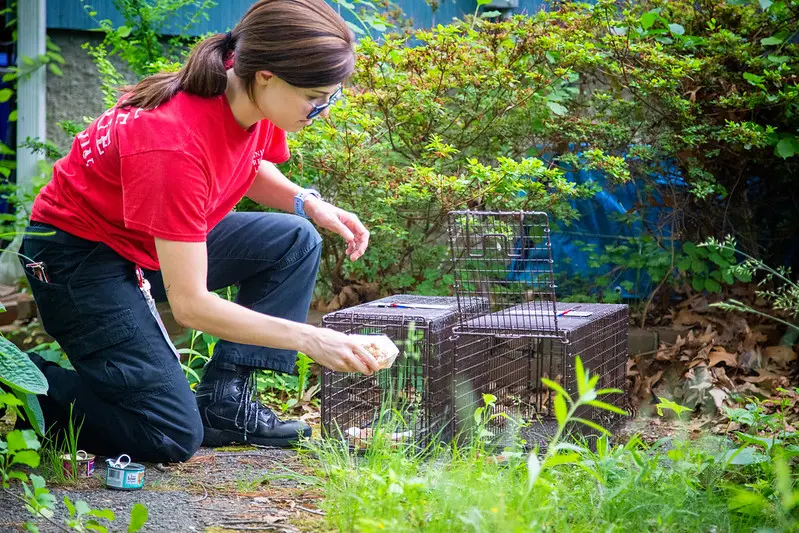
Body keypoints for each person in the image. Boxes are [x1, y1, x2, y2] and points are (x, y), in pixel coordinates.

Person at [19, 0, 381, 463]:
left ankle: (226, 405)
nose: (322, 110)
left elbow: (245, 163)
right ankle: (24, 381)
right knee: (168, 434)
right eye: (315, 97)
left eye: (330, 96)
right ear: (267, 76)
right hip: (76, 257)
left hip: (144, 236)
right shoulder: (174, 142)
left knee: (295, 241)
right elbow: (191, 306)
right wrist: (310, 337)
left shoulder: (242, 85)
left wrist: (308, 203)